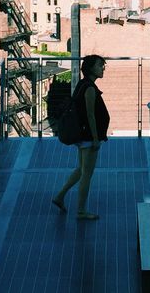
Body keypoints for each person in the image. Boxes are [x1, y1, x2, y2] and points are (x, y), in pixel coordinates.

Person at [51, 55, 109, 220]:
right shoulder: (89, 88)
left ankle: (60, 196)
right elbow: (90, 115)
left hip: (82, 135)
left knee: (81, 169)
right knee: (87, 174)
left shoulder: (82, 84)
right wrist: (96, 138)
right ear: (91, 68)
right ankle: (81, 210)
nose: (102, 68)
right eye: (100, 65)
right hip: (88, 137)